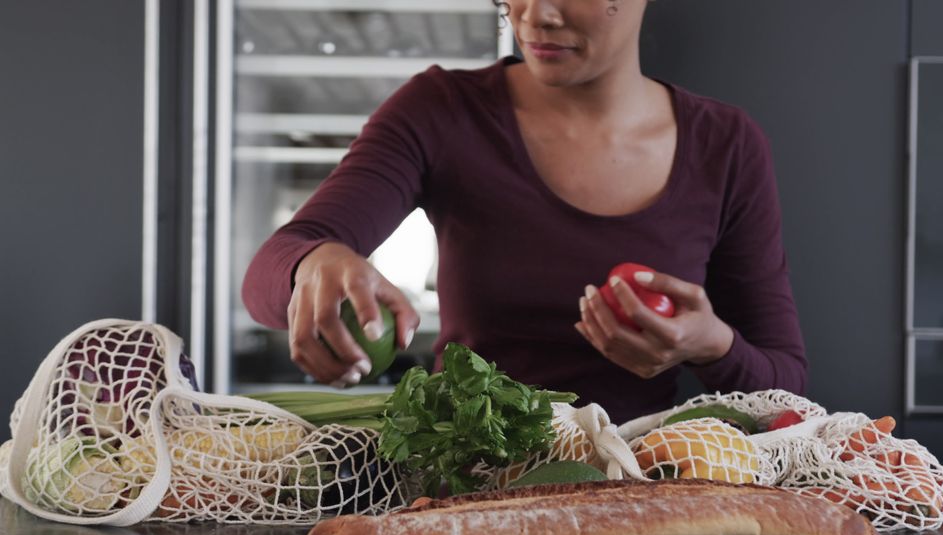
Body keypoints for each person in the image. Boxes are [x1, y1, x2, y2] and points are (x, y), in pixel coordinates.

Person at [242, 0, 807, 424]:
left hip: (640, 491)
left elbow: (787, 389)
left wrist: (711, 346)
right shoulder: (440, 111)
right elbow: (268, 275)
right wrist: (313, 263)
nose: (535, 15)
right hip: (462, 496)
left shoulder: (726, 145)